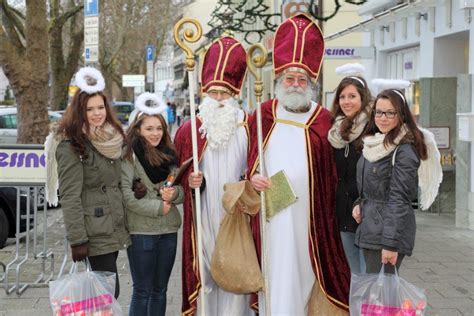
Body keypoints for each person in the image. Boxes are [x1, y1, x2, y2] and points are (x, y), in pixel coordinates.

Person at [248, 13, 350, 315]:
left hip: (311, 218)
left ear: (311, 82)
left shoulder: (323, 120)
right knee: (277, 271)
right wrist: (253, 177)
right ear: (279, 81)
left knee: (306, 272)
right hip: (274, 216)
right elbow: (250, 162)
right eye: (289, 78)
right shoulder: (263, 114)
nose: (295, 84)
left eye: (301, 79)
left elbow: (334, 171)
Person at [173, 36, 252, 315]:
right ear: (205, 91)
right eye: (214, 92)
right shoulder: (189, 131)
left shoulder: (248, 127)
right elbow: (177, 174)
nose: (219, 99)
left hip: (237, 213)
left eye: (224, 93)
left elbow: (256, 168)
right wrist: (192, 181)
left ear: (235, 94)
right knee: (206, 269)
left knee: (236, 269)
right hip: (204, 211)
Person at [45, 67, 130, 298]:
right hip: (93, 232)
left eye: (100, 107)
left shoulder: (112, 137)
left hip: (113, 226)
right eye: (89, 109)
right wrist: (78, 240)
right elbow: (70, 196)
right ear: (79, 111)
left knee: (106, 295)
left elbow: (116, 180)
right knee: (108, 294)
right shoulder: (71, 144)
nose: (96, 113)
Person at [352, 85, 442, 274]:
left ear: (401, 115)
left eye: (390, 113)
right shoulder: (373, 143)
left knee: (382, 297)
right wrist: (359, 203)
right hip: (371, 228)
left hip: (386, 234)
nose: (383, 118)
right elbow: (372, 187)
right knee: (377, 296)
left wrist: (390, 245)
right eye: (379, 112)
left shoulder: (404, 150)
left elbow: (399, 199)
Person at [121, 92, 184, 316]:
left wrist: (174, 194)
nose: (155, 133)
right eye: (149, 128)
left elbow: (181, 189)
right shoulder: (129, 155)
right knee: (142, 291)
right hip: (141, 232)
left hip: (168, 230)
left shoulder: (169, 153)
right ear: (138, 129)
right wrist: (159, 206)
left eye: (159, 128)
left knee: (160, 290)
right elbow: (127, 197)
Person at [328, 66, 372, 274]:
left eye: (352, 96)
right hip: (344, 212)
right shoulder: (336, 130)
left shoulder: (373, 129)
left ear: (363, 98)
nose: (346, 101)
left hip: (367, 212)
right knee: (355, 273)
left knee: (369, 274)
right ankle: (357, 308)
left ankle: (369, 308)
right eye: (342, 97)